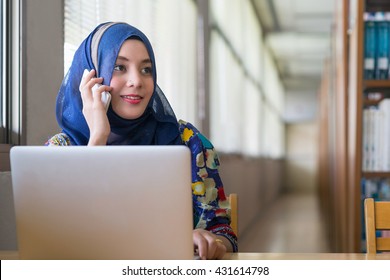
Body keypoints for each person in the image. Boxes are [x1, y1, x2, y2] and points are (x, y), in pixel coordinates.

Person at [46, 22, 238, 259]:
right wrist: (97, 137)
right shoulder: (60, 151)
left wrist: (212, 241)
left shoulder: (188, 142)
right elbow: (56, 237)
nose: (137, 80)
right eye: (119, 67)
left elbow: (222, 230)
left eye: (146, 69)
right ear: (91, 78)